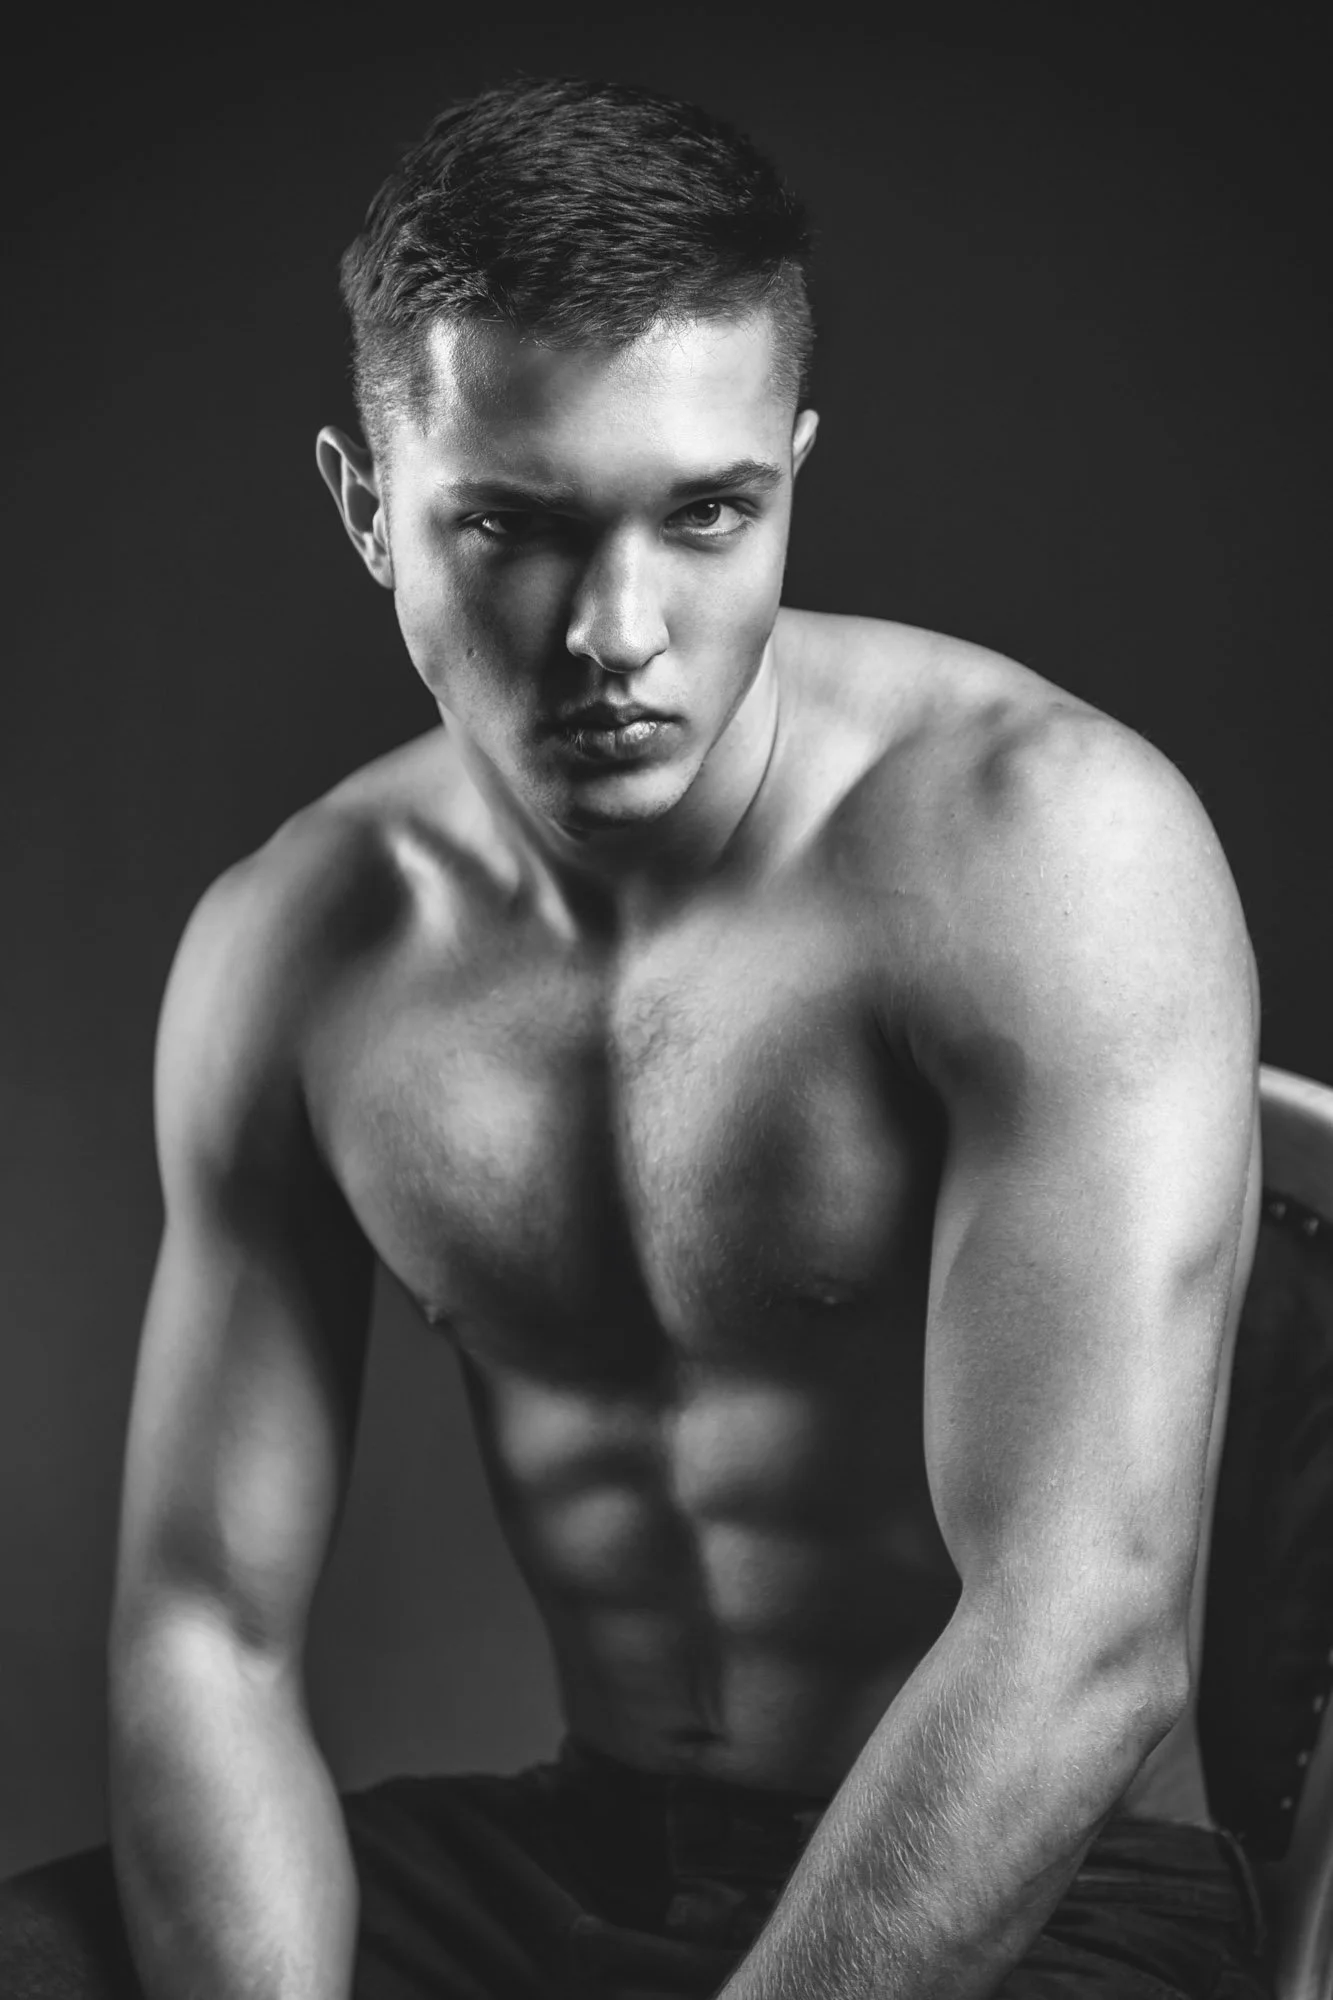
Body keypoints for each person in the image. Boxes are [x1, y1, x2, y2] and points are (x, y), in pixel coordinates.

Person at [0, 74, 1268, 2000]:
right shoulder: (301, 948)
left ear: (793, 472)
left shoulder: (1046, 850)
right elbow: (204, 1630)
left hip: (1045, 1889)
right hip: (587, 1858)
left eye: (707, 515)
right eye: (514, 523)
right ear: (367, 509)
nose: (619, 628)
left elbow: (1087, 1630)